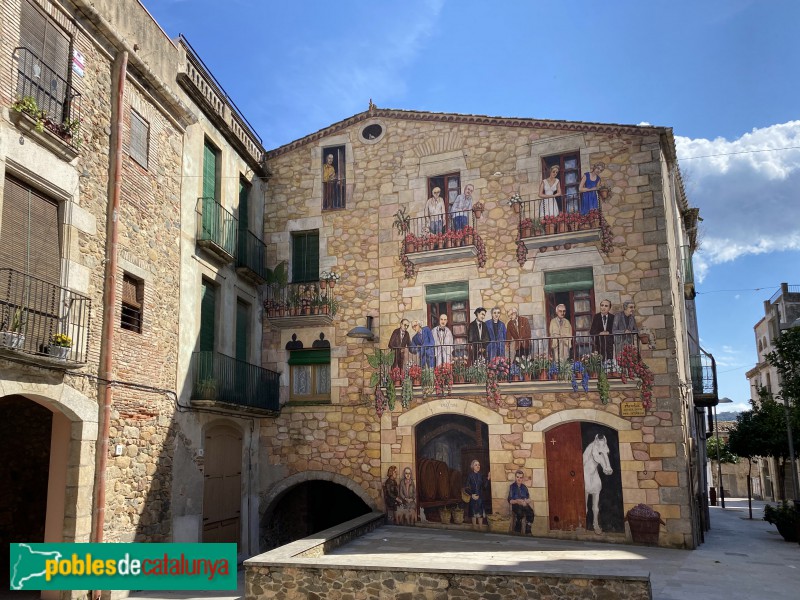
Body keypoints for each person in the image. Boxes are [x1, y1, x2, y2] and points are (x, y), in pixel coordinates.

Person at [507, 469, 535, 535]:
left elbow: (528, 498)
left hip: (524, 504)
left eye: (521, 477)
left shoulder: (524, 487)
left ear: (522, 479)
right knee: (520, 512)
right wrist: (517, 501)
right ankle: (517, 529)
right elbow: (510, 500)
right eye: (517, 477)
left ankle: (528, 530)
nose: (519, 479)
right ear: (515, 477)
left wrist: (526, 501)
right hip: (516, 505)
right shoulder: (512, 487)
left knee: (531, 512)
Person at [464, 459, 490, 527]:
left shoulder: (481, 475)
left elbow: (484, 487)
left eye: (479, 465)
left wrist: (488, 479)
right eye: (476, 465)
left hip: (480, 499)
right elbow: (466, 488)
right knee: (474, 515)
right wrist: (471, 495)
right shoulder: (470, 475)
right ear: (472, 466)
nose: (478, 466)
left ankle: (480, 529)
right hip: (473, 498)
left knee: (480, 515)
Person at [589, 299, 615, 364]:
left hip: (610, 344)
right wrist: (600, 333)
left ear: (609, 308)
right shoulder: (596, 317)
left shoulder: (613, 317)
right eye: (602, 305)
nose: (603, 307)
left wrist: (609, 333)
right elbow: (592, 331)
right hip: (599, 344)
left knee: (610, 362)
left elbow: (615, 330)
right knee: (600, 362)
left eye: (606, 306)